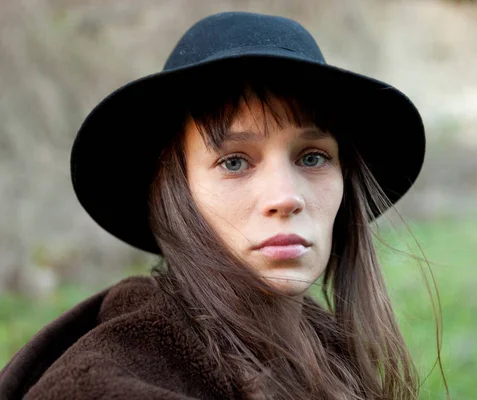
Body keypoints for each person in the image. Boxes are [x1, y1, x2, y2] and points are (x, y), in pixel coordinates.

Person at [0, 11, 426, 400]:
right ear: (176, 193)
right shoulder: (112, 375)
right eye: (234, 162)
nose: (285, 197)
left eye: (312, 157)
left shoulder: (325, 350)